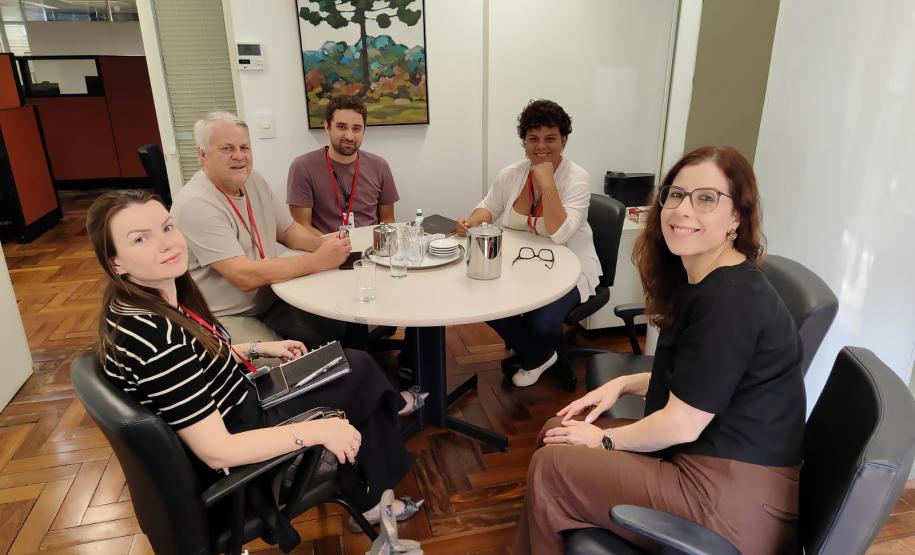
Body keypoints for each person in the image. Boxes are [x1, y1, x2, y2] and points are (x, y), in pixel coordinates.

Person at [515, 146, 805, 555]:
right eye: (675, 194)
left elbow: (682, 425)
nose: (683, 209)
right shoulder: (712, 281)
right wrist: (625, 384)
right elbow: (705, 382)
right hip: (707, 462)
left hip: (727, 502)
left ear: (736, 217)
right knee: (555, 435)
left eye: (706, 198)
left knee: (553, 465)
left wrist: (604, 442)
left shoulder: (730, 302)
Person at [87, 189, 424, 530]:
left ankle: (373, 452)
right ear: (114, 261)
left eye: (167, 227)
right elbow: (218, 451)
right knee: (365, 383)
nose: (166, 244)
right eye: (141, 239)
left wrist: (257, 349)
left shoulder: (143, 303)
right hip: (241, 439)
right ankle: (370, 495)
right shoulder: (156, 339)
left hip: (241, 400)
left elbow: (196, 359)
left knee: (358, 366)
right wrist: (319, 429)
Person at [171, 112, 351, 350]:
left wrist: (334, 247)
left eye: (244, 147)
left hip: (270, 298)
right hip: (225, 315)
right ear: (202, 154)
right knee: (287, 361)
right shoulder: (195, 204)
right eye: (227, 148)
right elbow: (244, 276)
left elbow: (289, 232)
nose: (239, 156)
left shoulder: (252, 179)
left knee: (338, 325)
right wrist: (320, 260)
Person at [456, 99, 601, 387]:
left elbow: (559, 233)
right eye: (533, 138)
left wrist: (547, 182)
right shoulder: (512, 173)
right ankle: (540, 354)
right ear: (523, 142)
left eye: (550, 138)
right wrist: (473, 221)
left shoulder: (577, 179)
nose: (541, 146)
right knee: (480, 300)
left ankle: (535, 344)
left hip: (570, 270)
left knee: (542, 324)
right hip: (519, 265)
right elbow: (489, 205)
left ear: (564, 140)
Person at [286, 95, 399, 235]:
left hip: (371, 252)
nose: (349, 136)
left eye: (356, 128)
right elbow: (301, 226)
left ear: (364, 130)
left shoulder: (380, 166)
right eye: (341, 127)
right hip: (324, 251)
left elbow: (387, 219)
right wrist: (336, 248)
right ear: (327, 127)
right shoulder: (303, 167)